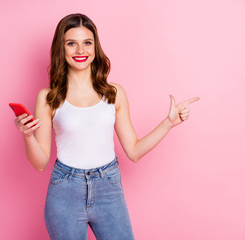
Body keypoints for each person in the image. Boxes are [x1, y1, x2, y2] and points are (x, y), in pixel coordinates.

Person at [14, 13, 199, 240]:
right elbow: (40, 163)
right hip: (65, 191)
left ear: (95, 47)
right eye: (71, 43)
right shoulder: (48, 97)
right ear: (61, 49)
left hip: (108, 187)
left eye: (87, 43)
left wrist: (168, 123)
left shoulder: (114, 93)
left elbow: (134, 150)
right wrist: (28, 136)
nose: (80, 51)